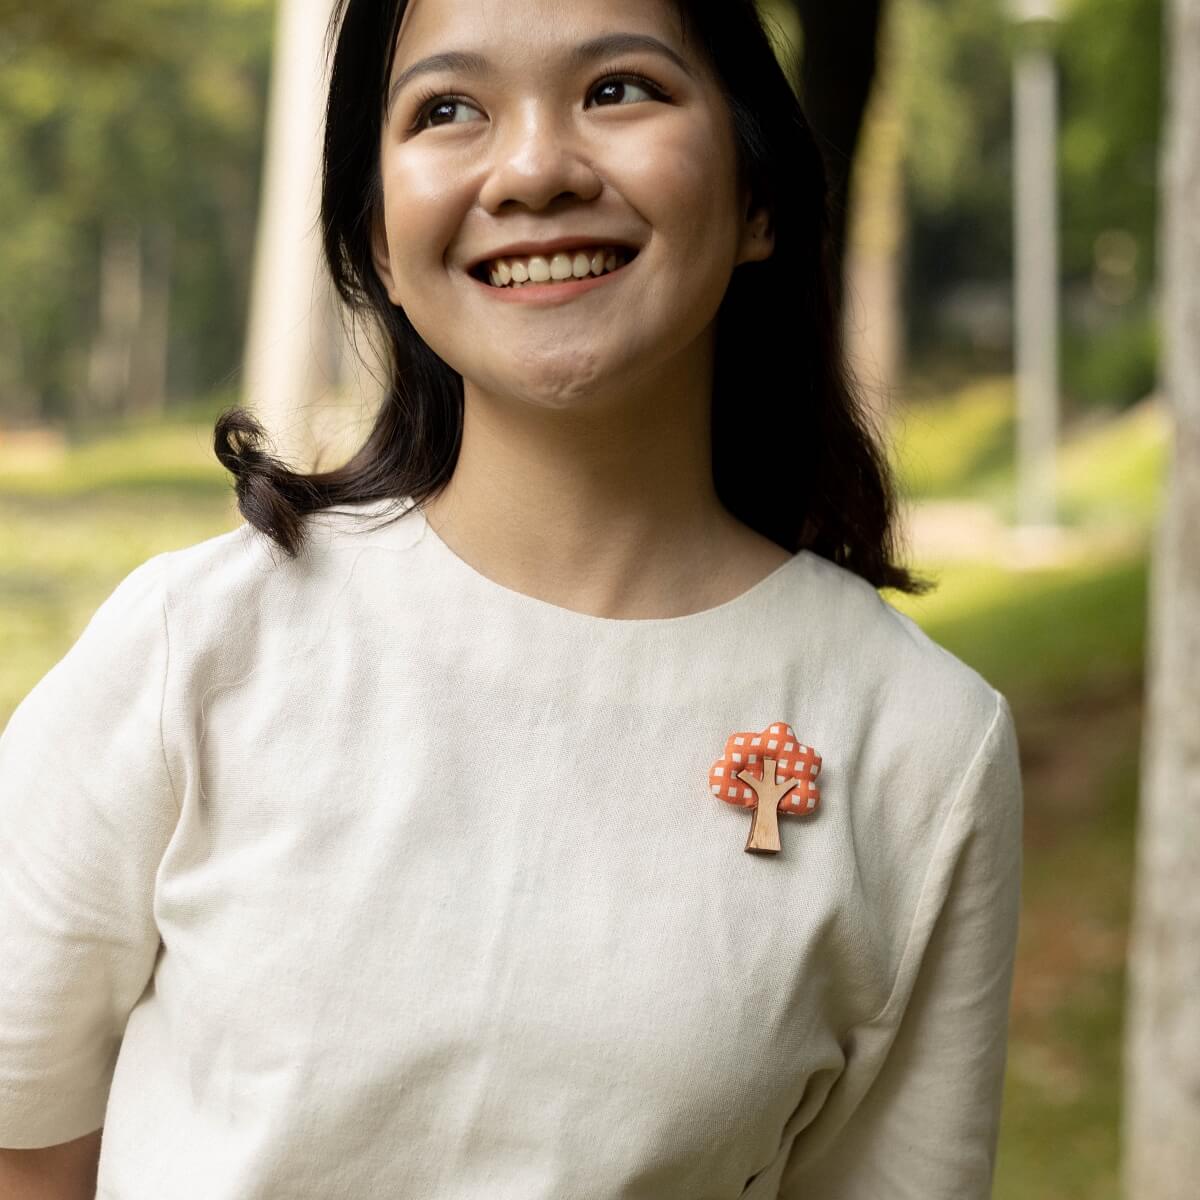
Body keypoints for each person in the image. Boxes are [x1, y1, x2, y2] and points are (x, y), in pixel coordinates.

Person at [0, 0, 1023, 1197]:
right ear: (376, 236)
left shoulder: (920, 749)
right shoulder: (194, 651)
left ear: (758, 199)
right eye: (449, 110)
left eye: (619, 90)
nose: (533, 168)